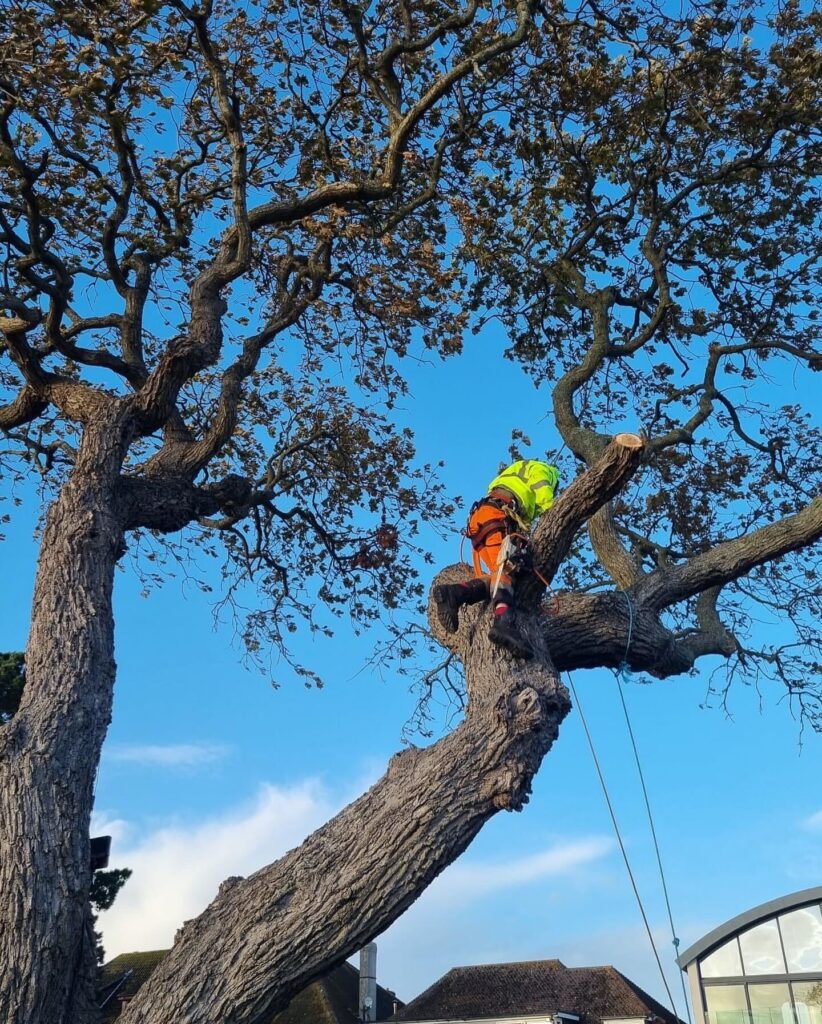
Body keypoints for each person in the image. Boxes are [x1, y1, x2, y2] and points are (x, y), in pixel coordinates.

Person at [433, 459, 560, 659]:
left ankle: (456, 593)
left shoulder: (512, 474)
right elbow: (545, 495)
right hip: (497, 516)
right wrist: (552, 509)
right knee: (506, 572)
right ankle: (503, 623)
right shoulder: (544, 470)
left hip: (482, 519)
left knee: (498, 575)